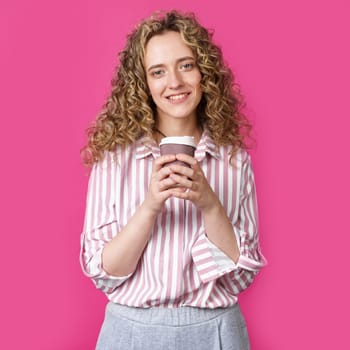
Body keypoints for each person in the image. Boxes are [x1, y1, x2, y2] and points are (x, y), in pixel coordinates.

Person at [80, 10, 266, 350]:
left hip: (217, 332)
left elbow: (241, 276)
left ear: (204, 73)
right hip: (130, 333)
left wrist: (210, 203)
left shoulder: (233, 160)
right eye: (158, 71)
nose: (175, 83)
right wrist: (150, 206)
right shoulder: (113, 159)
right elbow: (103, 273)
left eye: (186, 65)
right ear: (144, 84)